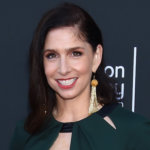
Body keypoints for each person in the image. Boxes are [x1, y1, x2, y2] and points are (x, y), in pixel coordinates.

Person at [10, 2, 150, 150]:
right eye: (52, 55)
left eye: (75, 53)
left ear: (96, 56)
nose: (63, 69)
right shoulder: (26, 134)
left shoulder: (134, 132)